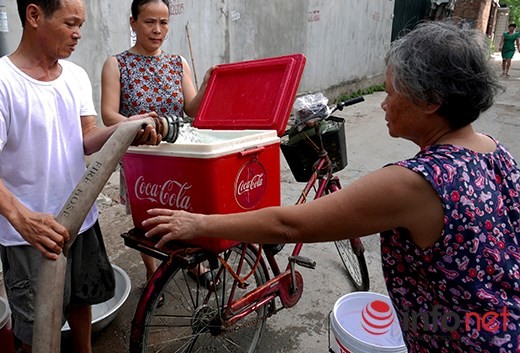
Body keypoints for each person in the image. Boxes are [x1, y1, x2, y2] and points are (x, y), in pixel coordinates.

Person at [143, 22, 519, 353]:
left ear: (430, 101)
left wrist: (197, 224)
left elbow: (289, 226)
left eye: (390, 92)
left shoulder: (415, 183)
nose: (383, 105)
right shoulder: (491, 148)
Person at [0, 0, 161, 353]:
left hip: (80, 218)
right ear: (35, 16)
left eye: (81, 24)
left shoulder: (76, 77)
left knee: (82, 297)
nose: (78, 33)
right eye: (70, 23)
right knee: (36, 325)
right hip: (30, 234)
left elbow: (86, 139)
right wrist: (22, 218)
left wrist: (126, 128)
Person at [100, 0, 215, 289]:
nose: (157, 29)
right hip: (141, 157)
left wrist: (205, 85)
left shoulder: (178, 63)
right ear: (133, 23)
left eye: (163, 22)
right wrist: (137, 122)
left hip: (181, 153)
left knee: (186, 207)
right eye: (149, 22)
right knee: (147, 216)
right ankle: (153, 271)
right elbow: (109, 116)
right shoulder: (116, 64)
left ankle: (194, 262)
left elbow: (191, 109)